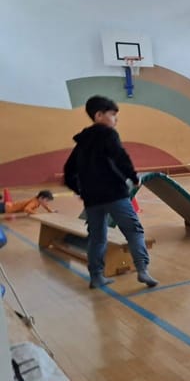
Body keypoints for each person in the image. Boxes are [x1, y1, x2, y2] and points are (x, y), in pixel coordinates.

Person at [63, 95, 158, 289]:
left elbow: (68, 171)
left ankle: (96, 276)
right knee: (133, 231)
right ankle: (142, 270)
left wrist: (80, 191)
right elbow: (120, 156)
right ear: (99, 115)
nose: (116, 119)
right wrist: (133, 177)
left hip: (92, 200)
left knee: (97, 238)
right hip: (115, 194)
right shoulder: (108, 134)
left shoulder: (81, 142)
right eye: (113, 115)